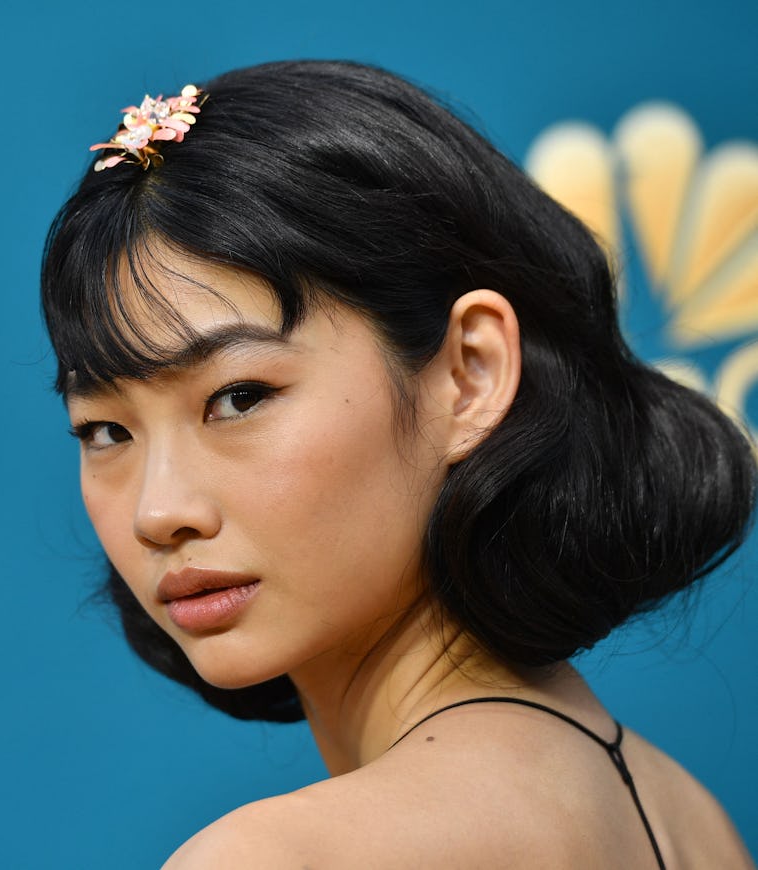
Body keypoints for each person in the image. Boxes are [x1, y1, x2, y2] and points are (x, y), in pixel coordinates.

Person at [40, 60, 757, 868]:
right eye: (103, 430)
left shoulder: (276, 858)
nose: (157, 511)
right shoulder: (688, 821)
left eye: (238, 397)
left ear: (469, 374)